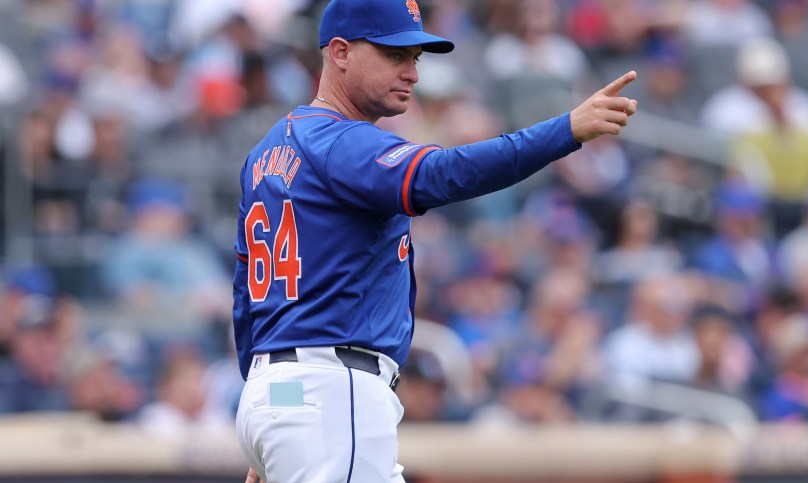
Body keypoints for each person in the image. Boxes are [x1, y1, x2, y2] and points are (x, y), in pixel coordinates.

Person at [232, 0, 638, 481]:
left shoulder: (267, 152)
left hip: (277, 392)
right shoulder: (341, 141)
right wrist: (564, 131)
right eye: (393, 55)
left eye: (415, 58)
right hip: (331, 391)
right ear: (340, 52)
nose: (412, 73)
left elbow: (245, 299)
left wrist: (272, 415)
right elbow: (442, 174)